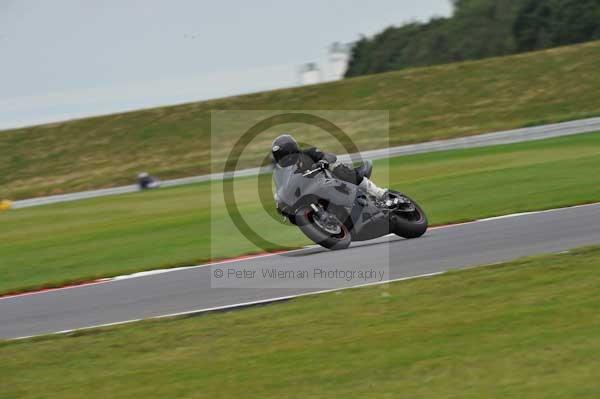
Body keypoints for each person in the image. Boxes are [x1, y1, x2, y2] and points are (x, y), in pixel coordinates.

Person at [271, 134, 388, 199]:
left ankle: (378, 192)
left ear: (293, 151)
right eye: (280, 157)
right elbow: (281, 189)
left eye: (285, 156)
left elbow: (328, 156)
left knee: (338, 169)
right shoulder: (281, 173)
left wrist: (323, 162)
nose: (283, 160)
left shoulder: (308, 153)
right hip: (311, 194)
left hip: (331, 182)